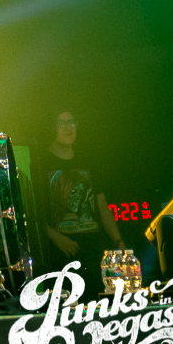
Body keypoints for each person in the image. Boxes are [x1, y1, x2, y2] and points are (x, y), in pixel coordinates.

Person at [38, 110, 124, 294]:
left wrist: (119, 242)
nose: (68, 128)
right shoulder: (40, 162)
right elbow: (31, 211)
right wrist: (55, 237)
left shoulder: (88, 159)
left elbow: (102, 205)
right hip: (61, 255)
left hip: (94, 251)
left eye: (72, 122)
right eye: (62, 123)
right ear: (52, 127)